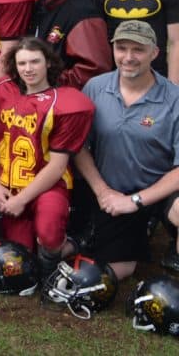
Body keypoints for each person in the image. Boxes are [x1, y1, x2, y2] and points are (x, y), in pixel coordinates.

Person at [73, 21, 179, 279]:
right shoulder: (95, 88)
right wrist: (103, 191)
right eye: (122, 48)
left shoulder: (174, 99)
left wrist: (135, 201)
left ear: (155, 53)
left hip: (155, 191)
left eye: (138, 50)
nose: (128, 57)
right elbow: (79, 147)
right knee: (117, 269)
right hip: (110, 191)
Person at [0, 38, 94, 280]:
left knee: (48, 236)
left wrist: (22, 199)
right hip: (11, 186)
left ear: (48, 63)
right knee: (21, 255)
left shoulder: (64, 101)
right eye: (22, 62)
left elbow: (58, 166)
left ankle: (63, 254)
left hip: (49, 186)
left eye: (35, 61)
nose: (28, 68)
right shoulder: (2, 92)